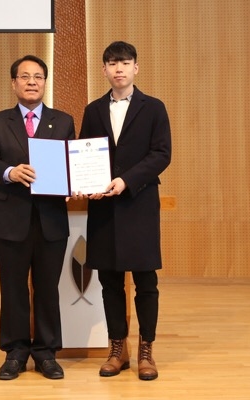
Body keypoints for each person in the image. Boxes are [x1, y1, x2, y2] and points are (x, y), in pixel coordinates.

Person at [74, 41, 171, 380]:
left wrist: (126, 180)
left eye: (125, 63)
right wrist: (83, 182)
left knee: (146, 281)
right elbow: (84, 152)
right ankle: (118, 348)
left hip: (139, 203)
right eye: (113, 63)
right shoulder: (93, 110)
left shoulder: (154, 108)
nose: (119, 69)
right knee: (109, 281)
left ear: (135, 68)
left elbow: (161, 154)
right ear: (104, 70)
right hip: (104, 207)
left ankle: (146, 349)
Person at [0, 55, 75, 380]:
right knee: (13, 289)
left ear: (45, 82)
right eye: (25, 76)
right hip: (11, 219)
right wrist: (10, 171)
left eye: (38, 76)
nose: (32, 81)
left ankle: (46, 353)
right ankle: (16, 352)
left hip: (51, 220)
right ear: (14, 83)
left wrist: (73, 183)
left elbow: (71, 162)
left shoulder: (63, 121)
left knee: (48, 288)